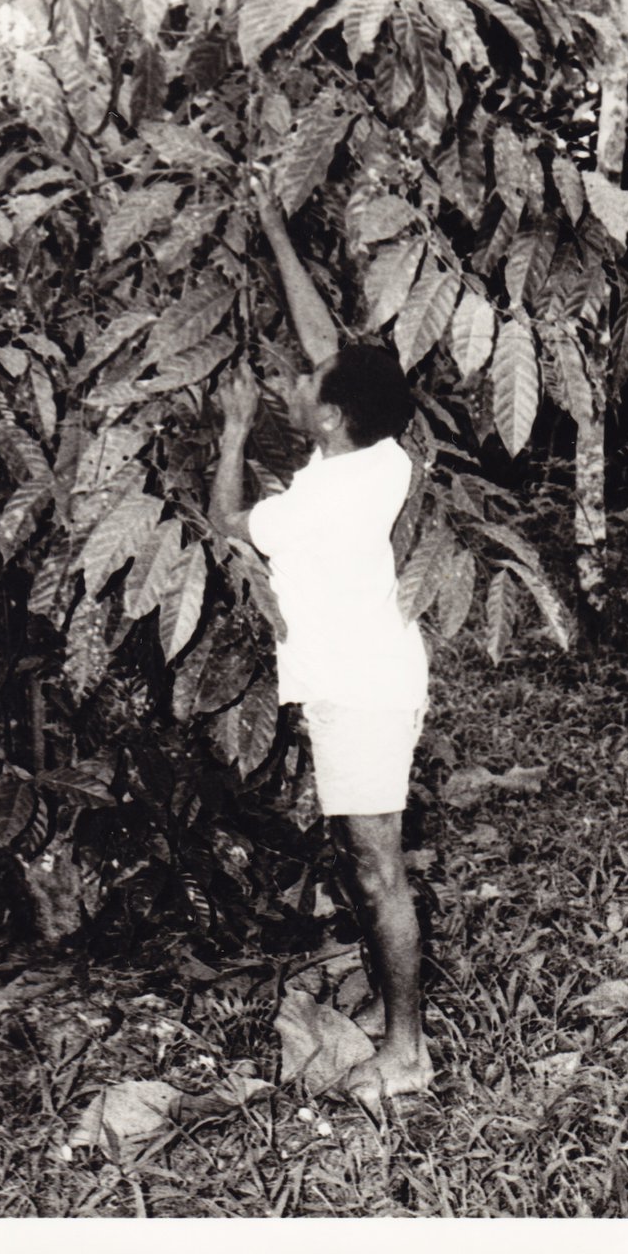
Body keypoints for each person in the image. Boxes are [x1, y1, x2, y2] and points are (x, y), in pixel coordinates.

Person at [209, 184, 433, 1102]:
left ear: (330, 418)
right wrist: (269, 224)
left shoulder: (317, 502)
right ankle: (398, 1028)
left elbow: (226, 525)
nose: (295, 385)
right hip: (375, 676)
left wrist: (229, 436)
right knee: (367, 859)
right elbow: (324, 347)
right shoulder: (379, 455)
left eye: (306, 392)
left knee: (376, 869)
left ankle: (407, 1051)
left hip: (360, 694)